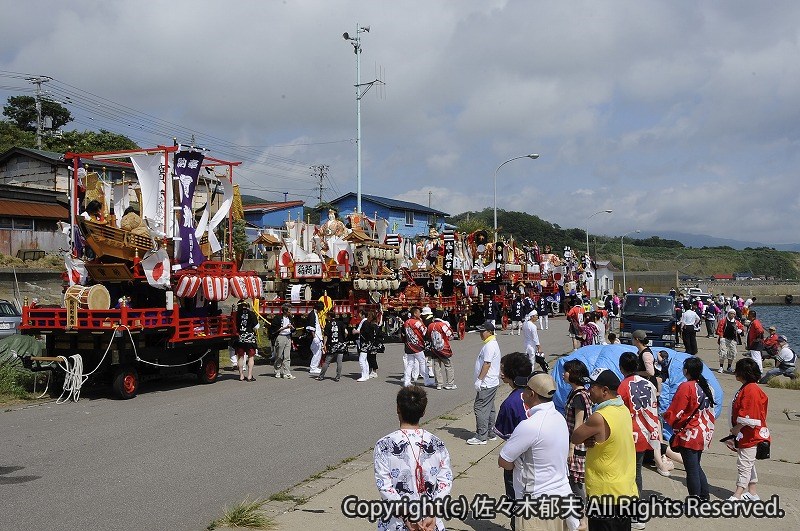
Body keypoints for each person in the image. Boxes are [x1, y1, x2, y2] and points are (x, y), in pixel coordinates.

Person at [499, 373, 577, 531]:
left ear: (531, 393)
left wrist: (518, 465)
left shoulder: (530, 425)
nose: (522, 393)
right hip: (561, 498)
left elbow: (504, 460)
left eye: (525, 389)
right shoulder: (558, 417)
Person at [374, 386, 453, 531]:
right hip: (429, 520)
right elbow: (445, 481)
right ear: (423, 411)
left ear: (398, 408)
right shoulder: (437, 443)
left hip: (396, 521)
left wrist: (408, 516)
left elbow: (384, 485)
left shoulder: (384, 444)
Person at [570, 368, 637, 530]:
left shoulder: (599, 417)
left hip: (605, 494)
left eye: (592, 386)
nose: (588, 390)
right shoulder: (623, 410)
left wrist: (587, 436)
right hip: (625, 489)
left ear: (605, 390)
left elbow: (576, 437)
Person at [618, 352, 672, 496]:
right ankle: (636, 506)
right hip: (647, 432)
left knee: (628, 472)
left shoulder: (622, 387)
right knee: (637, 470)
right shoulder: (648, 384)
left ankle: (632, 506)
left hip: (630, 433)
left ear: (621, 368)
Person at [663, 357, 716, 499]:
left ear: (686, 371)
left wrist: (667, 417)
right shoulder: (706, 386)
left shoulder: (687, 386)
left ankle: (694, 500)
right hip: (704, 430)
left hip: (690, 432)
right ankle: (704, 496)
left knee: (691, 469)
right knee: (696, 466)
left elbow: (676, 410)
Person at [493, 353, 533, 530]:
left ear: (511, 374)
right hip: (542, 460)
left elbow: (506, 435)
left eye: (503, 370)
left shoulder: (510, 403)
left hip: (518, 463)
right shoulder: (539, 394)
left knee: (515, 502)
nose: (501, 374)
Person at [728, 358, 770, 501]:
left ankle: (738, 494)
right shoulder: (750, 387)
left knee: (744, 464)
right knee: (748, 463)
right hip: (747, 433)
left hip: (750, 434)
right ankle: (752, 492)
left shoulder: (751, 390)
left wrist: (736, 429)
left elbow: (750, 417)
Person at [562, 359, 591, 531]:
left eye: (566, 371)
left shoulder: (579, 397)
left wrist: (571, 447)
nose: (564, 374)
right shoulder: (579, 393)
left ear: (573, 374)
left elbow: (578, 425)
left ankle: (584, 517)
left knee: (577, 483)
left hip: (578, 446)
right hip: (576, 443)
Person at [468, 320, 501, 445]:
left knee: (480, 407)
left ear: (490, 332)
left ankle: (481, 436)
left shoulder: (490, 345)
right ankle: (490, 432)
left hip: (487, 382)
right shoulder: (490, 344)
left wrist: (479, 380)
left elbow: (487, 364)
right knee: (489, 407)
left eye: (483, 332)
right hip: (491, 382)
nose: (481, 334)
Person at [427, 310, 456, 390]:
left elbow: (428, 336)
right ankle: (450, 384)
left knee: (437, 366)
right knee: (448, 365)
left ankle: (438, 383)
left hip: (434, 349)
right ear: (442, 316)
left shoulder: (430, 325)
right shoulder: (442, 325)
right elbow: (450, 335)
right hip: (444, 348)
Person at [403, 307, 431, 388]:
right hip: (417, 346)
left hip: (409, 345)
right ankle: (427, 380)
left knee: (410, 364)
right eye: (419, 312)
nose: (420, 314)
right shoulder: (417, 322)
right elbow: (425, 332)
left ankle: (407, 381)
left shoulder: (407, 322)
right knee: (422, 362)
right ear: (415, 313)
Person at [316, 311, 347, 382]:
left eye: (327, 316)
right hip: (341, 344)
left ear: (329, 316)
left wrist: (324, 345)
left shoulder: (328, 325)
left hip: (332, 345)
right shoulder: (340, 323)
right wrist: (343, 338)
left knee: (327, 361)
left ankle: (321, 376)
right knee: (339, 362)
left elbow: (326, 336)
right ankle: (338, 377)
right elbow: (346, 332)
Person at [234, 300, 258, 382]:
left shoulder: (237, 314)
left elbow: (235, 324)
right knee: (251, 357)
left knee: (240, 356)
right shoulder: (251, 313)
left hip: (241, 337)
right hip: (250, 337)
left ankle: (241, 375)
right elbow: (257, 326)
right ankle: (249, 375)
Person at [357, 311, 382, 382]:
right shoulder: (375, 325)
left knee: (362, 360)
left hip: (366, 344)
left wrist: (359, 332)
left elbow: (365, 333)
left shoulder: (367, 324)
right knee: (367, 359)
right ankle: (367, 374)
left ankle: (365, 375)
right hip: (371, 344)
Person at [717, 309, 744, 373]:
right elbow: (719, 329)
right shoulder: (723, 321)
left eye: (734, 314)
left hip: (733, 340)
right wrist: (721, 337)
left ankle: (729, 367)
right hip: (724, 339)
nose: (732, 315)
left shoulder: (736, 322)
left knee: (732, 353)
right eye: (731, 313)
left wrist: (740, 330)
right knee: (722, 353)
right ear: (728, 314)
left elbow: (741, 328)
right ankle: (721, 367)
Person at [273, 305, 295, 379]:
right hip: (280, 337)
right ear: (285, 311)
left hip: (288, 337)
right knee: (279, 355)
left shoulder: (290, 318)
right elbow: (274, 329)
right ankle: (277, 370)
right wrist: (285, 327)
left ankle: (287, 372)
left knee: (287, 356)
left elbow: (294, 328)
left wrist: (292, 328)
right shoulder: (278, 318)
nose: (290, 312)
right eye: (289, 310)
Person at [306, 301, 325, 375]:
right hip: (315, 336)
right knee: (316, 352)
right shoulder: (312, 315)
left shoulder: (314, 314)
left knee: (318, 352)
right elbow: (311, 327)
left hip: (318, 335)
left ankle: (315, 367)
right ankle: (313, 368)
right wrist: (314, 337)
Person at [745, 310, 765, 374]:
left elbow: (760, 331)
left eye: (748, 315)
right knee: (757, 357)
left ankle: (758, 371)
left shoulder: (755, 322)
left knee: (756, 358)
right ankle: (758, 371)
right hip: (754, 343)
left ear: (751, 315)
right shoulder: (753, 322)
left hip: (755, 344)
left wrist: (757, 338)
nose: (747, 316)